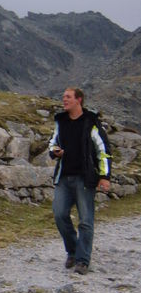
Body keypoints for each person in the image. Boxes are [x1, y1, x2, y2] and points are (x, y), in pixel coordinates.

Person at [49, 87, 111, 275]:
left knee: (85, 220)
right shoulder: (60, 121)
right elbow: (53, 142)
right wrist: (54, 151)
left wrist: (104, 177)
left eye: (68, 97)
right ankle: (73, 251)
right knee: (59, 214)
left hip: (85, 179)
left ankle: (83, 260)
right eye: (63, 97)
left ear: (79, 100)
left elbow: (103, 150)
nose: (64, 100)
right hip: (64, 177)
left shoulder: (90, 122)